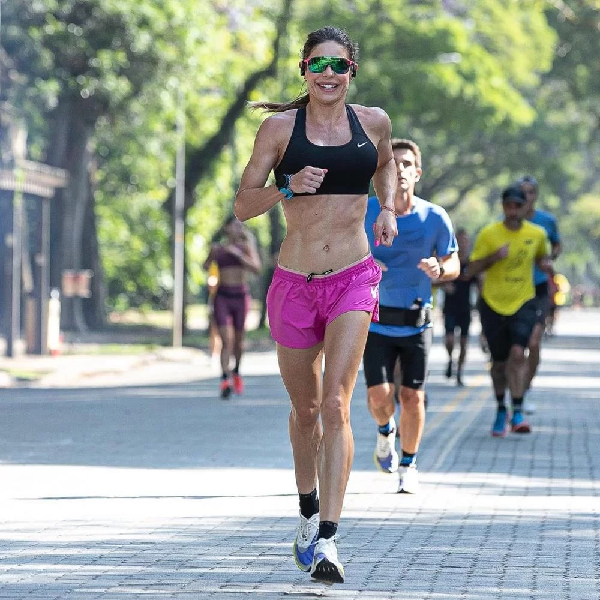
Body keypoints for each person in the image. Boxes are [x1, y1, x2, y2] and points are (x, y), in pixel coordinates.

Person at [233, 26, 398, 585]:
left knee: (335, 404)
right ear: (304, 70)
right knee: (305, 412)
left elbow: (384, 166)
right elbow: (241, 206)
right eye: (318, 65)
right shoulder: (280, 129)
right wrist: (286, 186)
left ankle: (328, 537)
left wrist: (387, 208)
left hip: (353, 275)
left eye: (339, 65)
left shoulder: (373, 124)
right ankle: (307, 512)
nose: (328, 75)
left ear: (353, 70)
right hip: (293, 282)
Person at [362, 138, 459, 494]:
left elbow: (453, 262)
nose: (399, 170)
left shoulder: (434, 217)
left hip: (417, 320)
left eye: (406, 164)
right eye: (392, 164)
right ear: (380, 173)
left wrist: (440, 268)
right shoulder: (366, 211)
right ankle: (386, 432)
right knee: (379, 397)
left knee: (412, 397)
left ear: (417, 172)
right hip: (374, 319)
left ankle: (408, 463)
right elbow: (343, 253)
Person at [467, 186, 552, 437]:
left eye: (518, 206)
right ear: (503, 206)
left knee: (518, 353)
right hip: (492, 304)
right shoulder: (489, 234)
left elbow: (540, 258)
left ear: (526, 207)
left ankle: (517, 410)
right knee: (499, 363)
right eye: (509, 206)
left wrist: (545, 264)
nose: (513, 211)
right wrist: (493, 258)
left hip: (523, 301)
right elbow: (470, 269)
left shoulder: (537, 234)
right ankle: (500, 409)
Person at [202, 215, 261, 398]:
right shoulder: (218, 248)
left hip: (240, 296)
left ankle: (236, 371)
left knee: (238, 341)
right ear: (226, 228)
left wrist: (239, 255)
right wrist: (211, 255)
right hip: (222, 296)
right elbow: (205, 266)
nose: (237, 229)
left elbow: (257, 268)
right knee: (226, 340)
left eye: (239, 226)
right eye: (234, 225)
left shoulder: (245, 248)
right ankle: (224, 379)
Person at [517, 175, 561, 413]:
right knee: (512, 349)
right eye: (521, 192)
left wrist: (549, 259)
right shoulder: (506, 221)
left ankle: (525, 391)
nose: (526, 197)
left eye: (530, 192)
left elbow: (556, 245)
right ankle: (513, 390)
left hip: (538, 287)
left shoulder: (547, 221)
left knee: (533, 343)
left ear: (536, 195)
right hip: (510, 290)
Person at [441, 228, 478, 387]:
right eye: (459, 240)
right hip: (450, 307)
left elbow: (480, 284)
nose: (462, 243)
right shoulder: (449, 261)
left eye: (465, 240)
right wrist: (445, 286)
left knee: (463, 342)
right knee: (450, 340)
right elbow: (438, 278)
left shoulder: (472, 264)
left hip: (465, 308)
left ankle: (459, 372)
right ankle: (450, 359)